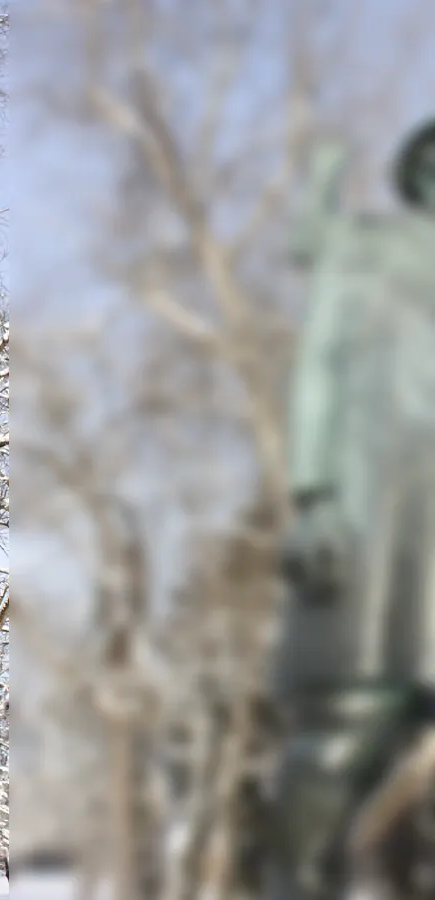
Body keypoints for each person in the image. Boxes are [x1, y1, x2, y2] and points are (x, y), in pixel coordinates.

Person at [266, 119, 435, 898]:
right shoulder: (365, 250)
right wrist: (314, 495)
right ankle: (294, 881)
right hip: (380, 502)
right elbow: (320, 365)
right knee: (351, 713)